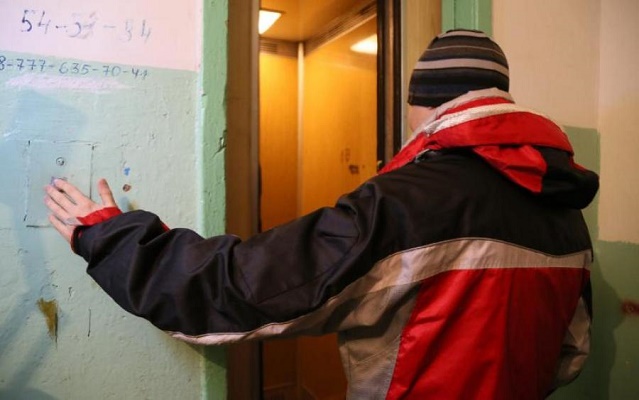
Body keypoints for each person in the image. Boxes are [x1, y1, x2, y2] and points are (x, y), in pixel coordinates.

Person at [44, 29, 598, 399]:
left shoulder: (407, 203)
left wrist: (111, 237)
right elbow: (570, 354)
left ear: (423, 105)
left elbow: (241, 287)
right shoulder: (564, 210)